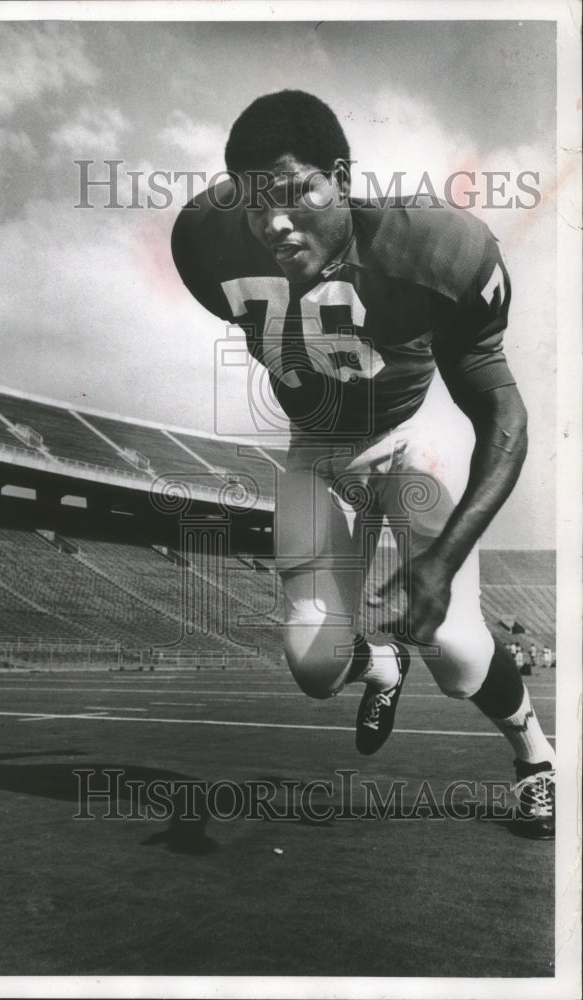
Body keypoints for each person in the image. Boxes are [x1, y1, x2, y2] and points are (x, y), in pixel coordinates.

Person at [172, 90, 555, 838]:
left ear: (341, 178)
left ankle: (537, 759)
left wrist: (443, 558)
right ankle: (378, 663)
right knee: (314, 669)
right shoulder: (204, 242)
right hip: (315, 451)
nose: (275, 223)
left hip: (413, 434)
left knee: (457, 652)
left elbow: (504, 415)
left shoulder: (436, 248)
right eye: (256, 205)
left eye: (294, 194)